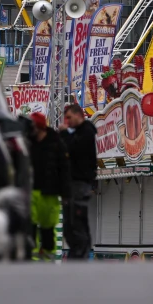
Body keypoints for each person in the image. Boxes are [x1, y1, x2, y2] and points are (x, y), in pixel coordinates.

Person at [27, 111, 69, 261]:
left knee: (47, 227)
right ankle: (30, 257)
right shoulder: (27, 142)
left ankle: (47, 256)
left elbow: (64, 169)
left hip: (49, 192)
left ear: (39, 127)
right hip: (30, 191)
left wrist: (65, 193)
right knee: (29, 225)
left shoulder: (56, 143)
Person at [59, 102, 97, 259]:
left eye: (69, 117)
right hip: (72, 184)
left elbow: (74, 149)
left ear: (78, 115)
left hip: (80, 183)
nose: (67, 122)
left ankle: (80, 254)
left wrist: (65, 134)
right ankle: (77, 252)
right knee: (69, 224)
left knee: (76, 221)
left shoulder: (86, 132)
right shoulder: (78, 133)